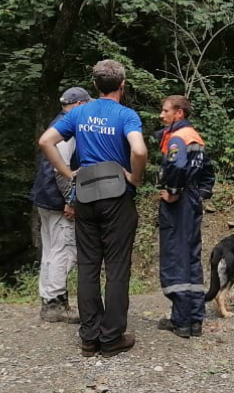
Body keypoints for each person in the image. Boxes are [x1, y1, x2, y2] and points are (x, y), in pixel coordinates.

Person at [38, 60, 148, 358]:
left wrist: (66, 172)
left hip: (85, 196)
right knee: (116, 268)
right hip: (117, 198)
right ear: (122, 86)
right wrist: (135, 177)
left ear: (96, 86)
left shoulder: (79, 112)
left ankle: (89, 338)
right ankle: (111, 338)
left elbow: (46, 141)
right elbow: (138, 150)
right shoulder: (127, 115)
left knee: (88, 267)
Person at [156, 95, 215, 339]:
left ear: (179, 113)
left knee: (175, 256)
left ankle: (180, 321)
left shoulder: (178, 137)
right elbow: (209, 171)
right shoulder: (195, 136)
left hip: (179, 204)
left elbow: (177, 167)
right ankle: (195, 320)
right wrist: (199, 193)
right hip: (191, 201)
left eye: (165, 111)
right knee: (191, 257)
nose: (162, 115)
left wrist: (172, 192)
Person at [30, 86, 90, 323]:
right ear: (79, 105)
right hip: (56, 199)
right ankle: (54, 303)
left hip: (45, 197)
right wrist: (70, 200)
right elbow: (60, 169)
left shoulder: (57, 123)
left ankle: (49, 299)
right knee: (64, 250)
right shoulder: (69, 128)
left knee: (51, 249)